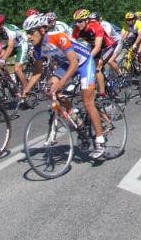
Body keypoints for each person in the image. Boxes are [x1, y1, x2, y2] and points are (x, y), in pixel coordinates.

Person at [21, 13, 106, 159]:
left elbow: (74, 63)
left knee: (87, 102)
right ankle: (77, 121)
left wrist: (61, 82)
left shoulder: (58, 37)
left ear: (42, 30)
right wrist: (25, 91)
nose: (28, 37)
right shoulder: (37, 48)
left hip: (84, 62)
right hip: (67, 64)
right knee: (50, 90)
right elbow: (37, 71)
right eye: (27, 33)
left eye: (31, 33)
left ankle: (100, 141)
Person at [71, 9, 116, 99]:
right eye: (75, 22)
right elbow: (71, 43)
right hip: (94, 46)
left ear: (87, 20)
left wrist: (87, 59)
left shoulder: (96, 27)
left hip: (107, 46)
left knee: (97, 66)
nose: (77, 24)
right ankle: (105, 82)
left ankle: (102, 94)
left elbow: (98, 47)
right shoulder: (77, 29)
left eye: (80, 21)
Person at [0, 14, 29, 89]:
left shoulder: (10, 29)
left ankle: (26, 89)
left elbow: (10, 47)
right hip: (11, 45)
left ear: (2, 24)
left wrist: (3, 60)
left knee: (17, 69)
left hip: (20, 45)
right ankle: (10, 80)